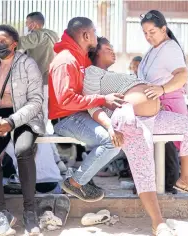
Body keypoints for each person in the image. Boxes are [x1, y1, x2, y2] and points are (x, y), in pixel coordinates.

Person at [84, 36, 188, 235]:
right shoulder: (91, 73)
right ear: (95, 53)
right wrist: (110, 127)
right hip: (131, 120)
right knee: (144, 168)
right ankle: (158, 222)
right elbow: (92, 105)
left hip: (155, 116)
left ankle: (185, 179)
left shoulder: (113, 74)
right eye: (107, 48)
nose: (113, 51)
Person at [0, 25, 45, 236]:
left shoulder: (28, 64)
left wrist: (12, 122)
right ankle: (1, 214)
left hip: (25, 116)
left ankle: (30, 212)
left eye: (3, 41)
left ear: (14, 43)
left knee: (23, 150)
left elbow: (36, 101)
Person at [49, 17, 125, 202]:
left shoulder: (80, 58)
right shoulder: (66, 60)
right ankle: (75, 182)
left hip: (79, 115)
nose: (97, 37)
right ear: (85, 35)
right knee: (111, 141)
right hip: (66, 119)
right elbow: (65, 100)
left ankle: (83, 179)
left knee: (121, 136)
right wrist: (102, 99)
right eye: (94, 33)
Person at [138, 10, 188, 197]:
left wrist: (162, 90)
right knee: (164, 148)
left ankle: (184, 180)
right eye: (145, 33)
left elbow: (182, 75)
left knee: (176, 143)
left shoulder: (170, 48)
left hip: (168, 104)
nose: (148, 37)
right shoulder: (153, 49)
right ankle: (159, 186)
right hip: (151, 107)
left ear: (163, 29)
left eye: (152, 32)